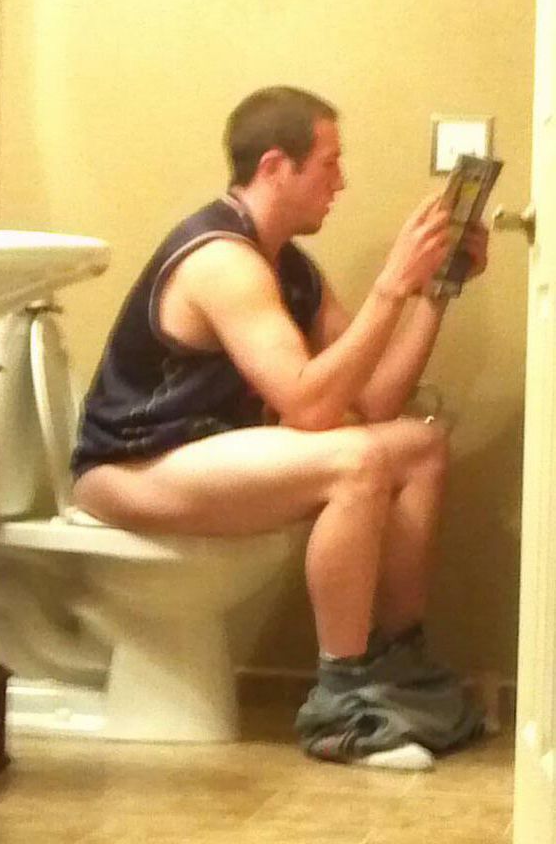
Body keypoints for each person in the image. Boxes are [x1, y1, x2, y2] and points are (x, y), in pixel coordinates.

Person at [71, 86, 488, 770]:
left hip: (210, 457)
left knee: (418, 446)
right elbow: (309, 408)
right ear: (274, 167)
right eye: (328, 164)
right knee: (355, 461)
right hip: (133, 467)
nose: (341, 182)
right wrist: (389, 286)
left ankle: (397, 666)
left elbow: (375, 400)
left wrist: (436, 291)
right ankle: (340, 704)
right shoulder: (222, 260)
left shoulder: (289, 267)